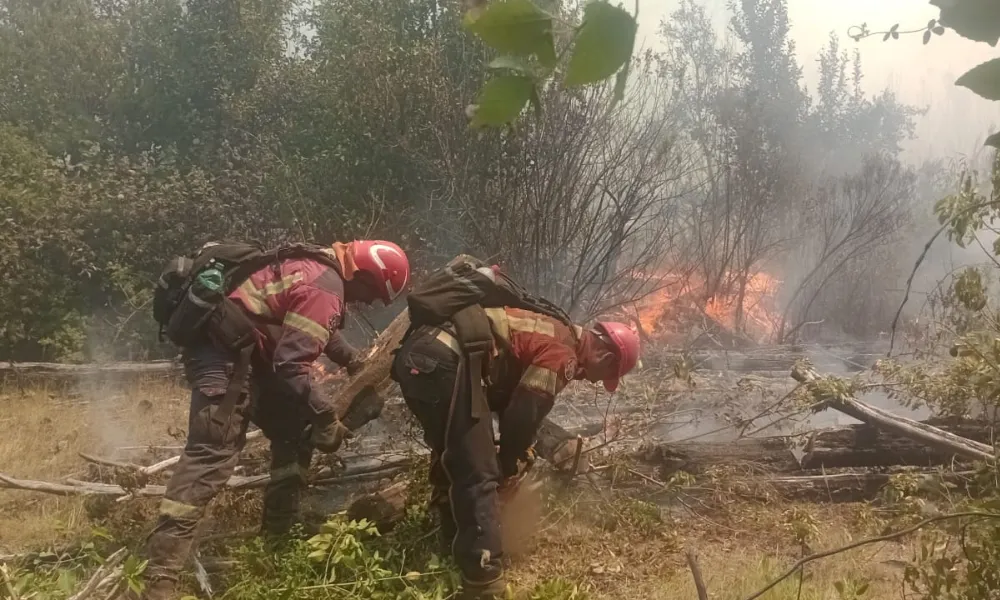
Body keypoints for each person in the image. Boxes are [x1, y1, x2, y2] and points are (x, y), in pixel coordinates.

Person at [135, 239, 410, 600]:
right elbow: (291, 366)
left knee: (293, 433)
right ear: (364, 274)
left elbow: (313, 327)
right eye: (372, 293)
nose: (368, 302)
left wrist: (355, 362)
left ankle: (278, 540)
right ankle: (160, 578)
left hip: (247, 357)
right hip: (225, 361)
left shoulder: (318, 271)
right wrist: (326, 414)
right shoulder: (325, 284)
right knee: (210, 456)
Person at [391, 296, 640, 599]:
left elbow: (510, 400)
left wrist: (514, 451)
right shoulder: (563, 353)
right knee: (479, 471)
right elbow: (525, 410)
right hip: (445, 363)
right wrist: (507, 467)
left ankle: (447, 543)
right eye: (605, 377)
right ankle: (484, 582)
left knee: (453, 454)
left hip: (418, 358)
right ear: (607, 357)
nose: (593, 382)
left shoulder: (554, 331)